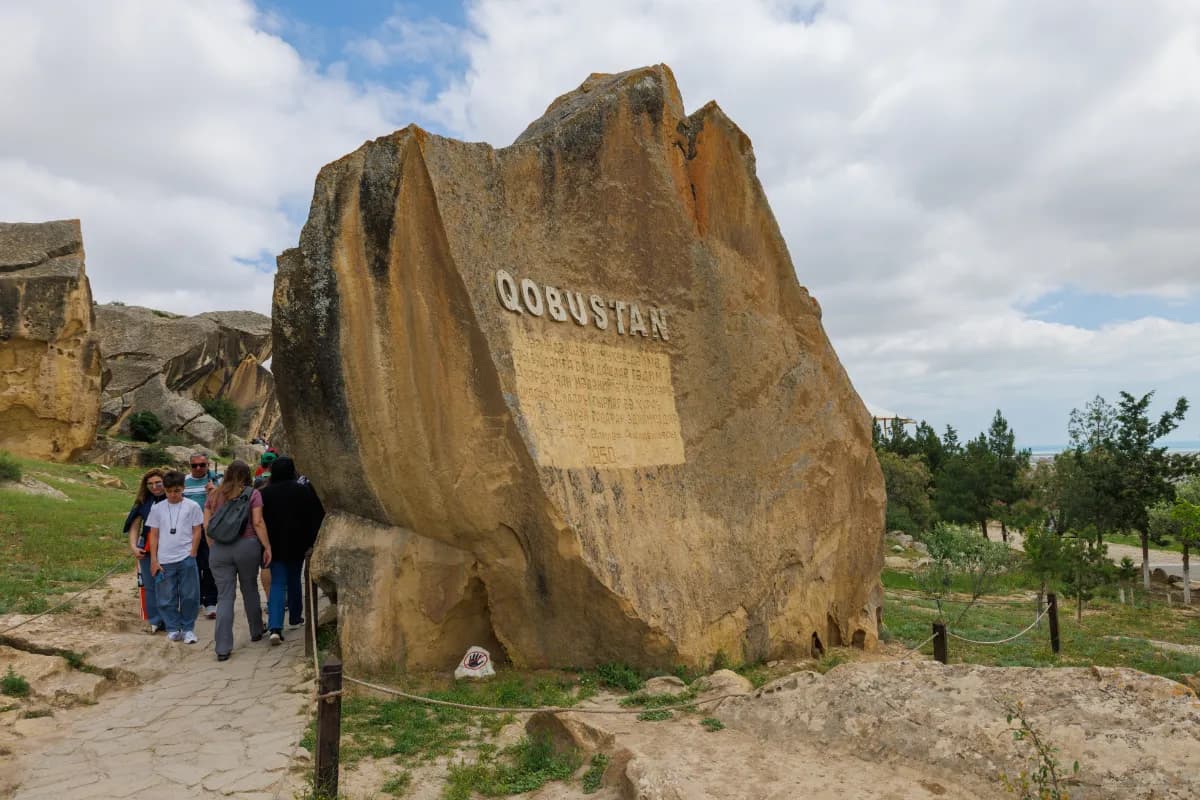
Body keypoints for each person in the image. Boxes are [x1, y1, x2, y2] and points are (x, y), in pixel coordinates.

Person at [204, 459, 271, 661]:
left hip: (219, 548)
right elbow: (258, 522)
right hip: (247, 546)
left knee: (225, 596)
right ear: (247, 475)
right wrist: (266, 546)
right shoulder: (253, 493)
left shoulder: (214, 495)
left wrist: (211, 545)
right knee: (249, 587)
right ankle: (256, 629)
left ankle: (223, 647)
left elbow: (206, 523)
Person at [259, 457, 325, 644]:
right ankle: (295, 618)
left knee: (278, 582)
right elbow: (314, 517)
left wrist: (263, 545)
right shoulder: (302, 491)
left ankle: (275, 627)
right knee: (294, 579)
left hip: (274, 545)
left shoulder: (265, 494)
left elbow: (259, 520)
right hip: (298, 543)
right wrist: (312, 541)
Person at [145, 470, 204, 644]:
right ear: (165, 490)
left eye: (177, 491)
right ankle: (173, 627)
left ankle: (188, 628)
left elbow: (197, 530)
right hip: (164, 559)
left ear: (183, 489)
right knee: (166, 596)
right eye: (169, 491)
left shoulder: (192, 506)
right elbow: (153, 535)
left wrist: (193, 552)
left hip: (185, 557)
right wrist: (154, 560)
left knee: (189, 595)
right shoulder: (157, 508)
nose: (173, 495)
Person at [124, 468, 167, 633]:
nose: (154, 487)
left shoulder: (174, 498)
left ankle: (170, 618)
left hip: (169, 548)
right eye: (150, 484)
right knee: (149, 585)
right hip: (147, 547)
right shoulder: (143, 501)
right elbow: (135, 526)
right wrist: (134, 546)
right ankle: (155, 620)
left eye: (158, 483)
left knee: (168, 584)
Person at [183, 452, 220, 619]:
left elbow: (224, 504)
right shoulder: (183, 482)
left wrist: (214, 493)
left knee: (210, 565)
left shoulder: (216, 481)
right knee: (192, 566)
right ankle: (195, 599)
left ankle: (211, 601)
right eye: (194, 465)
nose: (198, 468)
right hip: (189, 531)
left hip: (210, 530)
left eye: (202, 465)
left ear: (208, 466)